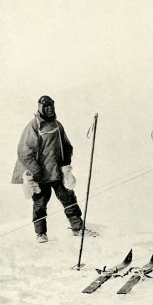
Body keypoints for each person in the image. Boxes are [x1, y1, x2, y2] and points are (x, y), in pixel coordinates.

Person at [11, 95, 97, 243]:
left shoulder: (57, 125)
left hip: (56, 172)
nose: (50, 109)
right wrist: (36, 171)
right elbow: (24, 152)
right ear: (40, 108)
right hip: (39, 175)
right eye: (46, 106)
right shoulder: (33, 126)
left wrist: (65, 163)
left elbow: (66, 145)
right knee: (40, 203)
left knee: (68, 198)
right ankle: (41, 233)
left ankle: (77, 228)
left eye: (52, 105)